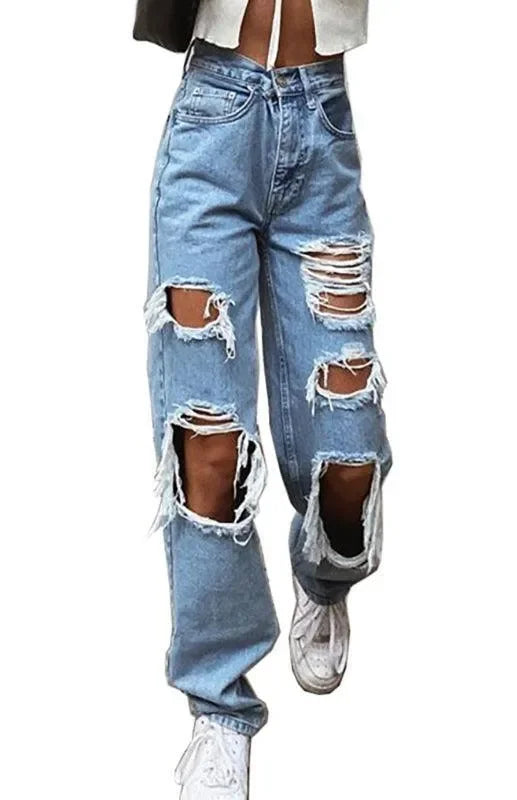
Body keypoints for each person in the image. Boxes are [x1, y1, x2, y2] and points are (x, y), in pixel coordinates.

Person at [134, 0, 392, 795]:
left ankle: (325, 578)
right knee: (205, 447)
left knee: (348, 461)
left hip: (322, 130)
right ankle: (218, 705)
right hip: (212, 124)